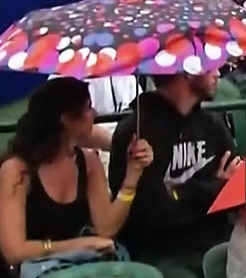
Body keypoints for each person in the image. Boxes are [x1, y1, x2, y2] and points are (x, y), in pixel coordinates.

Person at [0, 79, 152, 273]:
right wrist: (80, 245)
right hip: (36, 269)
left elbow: (106, 228)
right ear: (66, 119)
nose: (95, 114)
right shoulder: (17, 171)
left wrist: (133, 175)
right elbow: (14, 251)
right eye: (88, 108)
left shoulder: (88, 162)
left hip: (80, 266)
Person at [109, 70, 237, 276]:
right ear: (188, 71)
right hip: (163, 252)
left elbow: (238, 187)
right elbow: (149, 215)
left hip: (220, 238)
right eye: (209, 66)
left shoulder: (211, 124)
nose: (218, 73)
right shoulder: (136, 135)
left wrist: (179, 192)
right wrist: (215, 187)